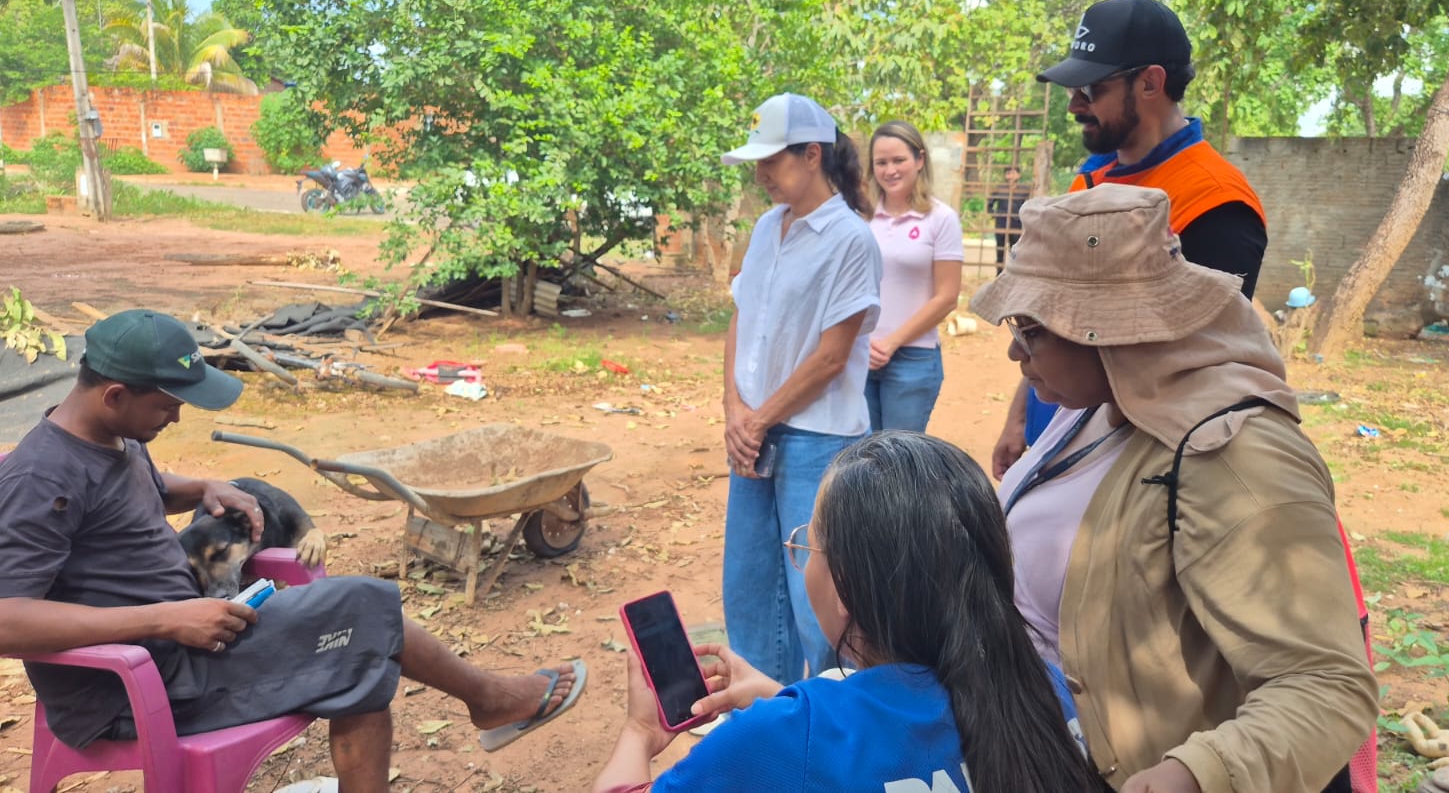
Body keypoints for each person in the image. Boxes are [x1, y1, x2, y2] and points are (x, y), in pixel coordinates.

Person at [0, 310, 584, 793]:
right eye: (167, 404)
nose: (178, 415)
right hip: (136, 685)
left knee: (360, 644)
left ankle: (489, 699)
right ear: (114, 394)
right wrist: (167, 618)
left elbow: (137, 494)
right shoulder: (40, 480)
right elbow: (7, 621)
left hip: (182, 643)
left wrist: (202, 487)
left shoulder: (114, 435)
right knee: (360, 614)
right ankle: (489, 698)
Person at [971, 187, 1377, 793]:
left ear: (1103, 331)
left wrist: (1193, 776)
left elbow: (1326, 687)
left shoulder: (1235, 457)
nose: (1013, 350)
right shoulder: (1105, 398)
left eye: (1031, 330)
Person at [593, 432, 1094, 793]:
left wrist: (641, 733)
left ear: (845, 590)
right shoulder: (1048, 692)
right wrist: (785, 700)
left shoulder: (771, 742)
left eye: (808, 545)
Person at [991, 0, 1269, 480]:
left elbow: (1195, 365)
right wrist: (1021, 415)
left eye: (1092, 89)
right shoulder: (1093, 177)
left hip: (1126, 453)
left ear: (1150, 82)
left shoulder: (1214, 201)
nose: (1074, 104)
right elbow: (1049, 319)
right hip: (1055, 425)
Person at [717, 93, 882, 685]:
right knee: (750, 585)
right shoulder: (767, 228)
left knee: (819, 599)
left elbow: (833, 357)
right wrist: (735, 409)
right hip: (754, 427)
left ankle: (835, 719)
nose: (760, 174)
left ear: (813, 155)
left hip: (815, 438)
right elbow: (743, 316)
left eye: (771, 161)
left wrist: (758, 421)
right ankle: (767, 716)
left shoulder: (850, 241)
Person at [863, 120, 962, 432]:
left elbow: (946, 297)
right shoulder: (859, 217)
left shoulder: (940, 218)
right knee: (857, 461)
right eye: (881, 162)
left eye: (898, 160)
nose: (889, 170)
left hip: (912, 360)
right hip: (858, 356)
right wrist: (859, 342)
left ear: (919, 160)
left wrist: (891, 343)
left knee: (898, 464)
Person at [987, 164, 1029, 272]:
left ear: (1018, 175)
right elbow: (989, 203)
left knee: (1015, 250)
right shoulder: (999, 188)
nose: (1011, 176)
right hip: (1001, 222)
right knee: (1000, 249)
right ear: (1006, 176)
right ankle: (999, 273)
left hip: (1016, 223)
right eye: (1008, 173)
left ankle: (1013, 272)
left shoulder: (1024, 190)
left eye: (1013, 173)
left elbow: (1029, 204)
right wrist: (995, 214)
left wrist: (1024, 217)